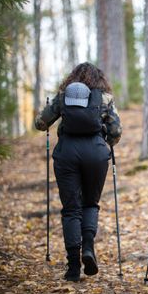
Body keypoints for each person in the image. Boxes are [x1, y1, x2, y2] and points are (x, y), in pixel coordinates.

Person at [34, 62, 122, 282]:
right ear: (98, 79)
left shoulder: (63, 96)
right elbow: (116, 132)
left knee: (71, 209)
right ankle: (88, 250)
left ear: (72, 77)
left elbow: (41, 124)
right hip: (96, 153)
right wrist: (106, 141)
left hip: (67, 153)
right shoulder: (104, 98)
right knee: (91, 203)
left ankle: (73, 267)